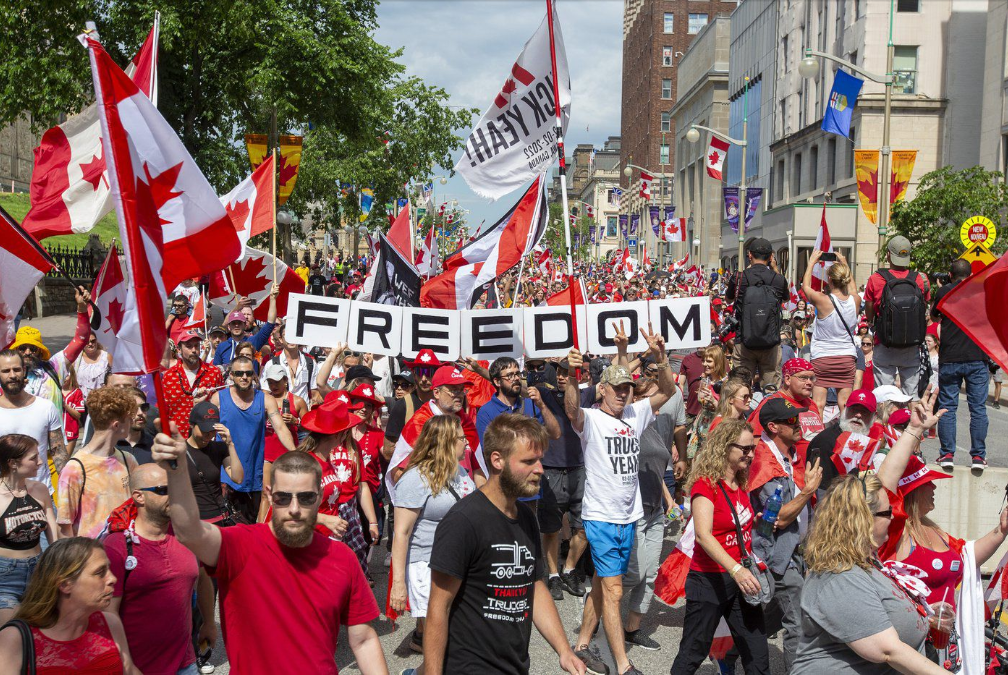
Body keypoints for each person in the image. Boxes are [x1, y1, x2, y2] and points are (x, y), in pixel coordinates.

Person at [150, 432, 389, 675]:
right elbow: (189, 532)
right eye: (283, 498)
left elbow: (363, 640)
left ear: (319, 497)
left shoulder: (342, 558)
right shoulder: (240, 544)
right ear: (269, 495)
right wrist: (178, 472)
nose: (294, 509)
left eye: (305, 498)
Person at [424, 414, 586, 675]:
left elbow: (534, 585)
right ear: (497, 460)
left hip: (514, 665)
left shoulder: (526, 518)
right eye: (528, 461)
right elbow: (437, 608)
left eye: (540, 460)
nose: (540, 469)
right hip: (469, 667)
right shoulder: (463, 522)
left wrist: (564, 651)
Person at [565, 326, 676, 675]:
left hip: (629, 518)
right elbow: (571, 410)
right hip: (600, 517)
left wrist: (660, 358)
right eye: (617, 388)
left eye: (628, 388)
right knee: (614, 591)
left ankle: (582, 645)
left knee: (602, 583)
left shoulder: (635, 413)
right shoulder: (592, 419)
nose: (623, 394)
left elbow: (669, 391)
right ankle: (624, 666)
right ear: (603, 389)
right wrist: (571, 375)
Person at [669, 419, 769, 675]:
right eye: (744, 449)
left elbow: (734, 525)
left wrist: (753, 524)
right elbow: (703, 535)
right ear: (725, 448)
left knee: (757, 652)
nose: (750, 454)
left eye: (752, 449)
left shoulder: (741, 483)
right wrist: (736, 570)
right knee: (693, 651)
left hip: (741, 580)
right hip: (709, 580)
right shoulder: (706, 485)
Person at [391, 415, 477, 666]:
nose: (467, 444)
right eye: (462, 439)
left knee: (453, 631)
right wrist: (398, 584)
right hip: (426, 564)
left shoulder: (460, 472)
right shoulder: (415, 479)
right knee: (439, 636)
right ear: (447, 442)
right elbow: (401, 534)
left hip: (458, 563)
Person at [104, 463, 205, 675]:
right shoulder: (117, 547)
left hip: (186, 664)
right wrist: (126, 664)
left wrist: (209, 624)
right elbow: (108, 612)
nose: (173, 495)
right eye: (162, 490)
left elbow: (203, 577)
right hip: (139, 668)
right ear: (139, 497)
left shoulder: (186, 534)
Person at [745, 398, 824, 671]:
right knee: (799, 625)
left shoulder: (787, 455)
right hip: (777, 555)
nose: (799, 424)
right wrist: (808, 490)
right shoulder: (765, 463)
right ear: (773, 427)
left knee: (772, 617)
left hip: (794, 552)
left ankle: (731, 650)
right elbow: (777, 518)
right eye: (792, 421)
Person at [0, 537, 139, 673]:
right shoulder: (14, 639)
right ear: (65, 584)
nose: (113, 579)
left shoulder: (110, 623)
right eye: (100, 573)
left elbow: (130, 670)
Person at [621, 375, 687, 653]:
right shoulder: (628, 426)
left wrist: (670, 500)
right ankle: (600, 609)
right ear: (637, 401)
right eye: (653, 399)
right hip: (633, 511)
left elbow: (655, 471)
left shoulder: (653, 428)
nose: (659, 406)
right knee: (633, 574)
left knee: (649, 575)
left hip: (656, 510)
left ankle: (631, 630)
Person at [534, 357, 597, 600]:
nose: (561, 376)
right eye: (558, 372)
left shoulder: (587, 395)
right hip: (550, 470)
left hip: (580, 470)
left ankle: (569, 569)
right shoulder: (542, 394)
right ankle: (552, 575)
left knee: (584, 527)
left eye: (567, 372)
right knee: (550, 530)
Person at [211, 355, 295, 524]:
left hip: (252, 476)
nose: (244, 377)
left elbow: (280, 428)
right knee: (225, 529)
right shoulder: (218, 399)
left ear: (254, 375)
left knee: (247, 526)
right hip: (225, 476)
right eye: (239, 373)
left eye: (248, 373)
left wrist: (295, 453)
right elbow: (205, 433)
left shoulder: (265, 399)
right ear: (232, 375)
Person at [387, 365, 487, 502]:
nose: (459, 395)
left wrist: (484, 501)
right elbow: (398, 472)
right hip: (434, 504)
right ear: (437, 393)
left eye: (461, 390)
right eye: (453, 390)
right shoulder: (420, 422)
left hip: (466, 505)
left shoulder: (466, 422)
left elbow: (477, 468)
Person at [57, 386, 140, 538]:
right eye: (129, 418)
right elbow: (64, 528)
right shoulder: (75, 468)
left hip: (125, 553)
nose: (133, 421)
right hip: (91, 556)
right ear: (116, 425)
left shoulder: (128, 460)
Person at [932, 258, 990, 471]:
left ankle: (947, 454)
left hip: (951, 357)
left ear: (950, 274)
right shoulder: (980, 291)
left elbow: (934, 315)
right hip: (977, 356)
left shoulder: (944, 292)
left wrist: (942, 290)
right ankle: (978, 457)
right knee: (978, 409)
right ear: (970, 274)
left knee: (948, 407)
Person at [862, 236, 930, 397]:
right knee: (911, 395)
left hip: (885, 343)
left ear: (888, 255)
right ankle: (909, 420)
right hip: (912, 345)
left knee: (884, 395)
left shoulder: (876, 278)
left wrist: (872, 321)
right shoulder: (920, 279)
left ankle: (886, 422)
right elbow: (924, 306)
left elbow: (869, 308)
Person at [0, 434, 58, 622]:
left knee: (39, 630)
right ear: (13, 463)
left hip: (39, 571)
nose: (40, 462)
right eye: (33, 458)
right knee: (10, 632)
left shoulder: (40, 490)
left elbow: (53, 535)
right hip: (5, 577)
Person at [0, 350, 67, 493]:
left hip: (41, 496)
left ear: (24, 370)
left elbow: (59, 454)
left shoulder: (46, 407)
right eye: (6, 371)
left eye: (16, 369)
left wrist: (68, 487)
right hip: (3, 499)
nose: (12, 375)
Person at [802, 251, 860, 414]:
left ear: (829, 280)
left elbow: (806, 287)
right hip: (846, 358)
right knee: (845, 403)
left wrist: (811, 263)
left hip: (823, 358)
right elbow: (853, 289)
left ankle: (817, 437)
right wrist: (844, 263)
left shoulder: (822, 300)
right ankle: (846, 437)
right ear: (847, 279)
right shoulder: (855, 300)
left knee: (819, 403)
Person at [726, 238, 788, 389]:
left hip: (744, 341)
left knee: (740, 387)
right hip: (770, 342)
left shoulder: (739, 278)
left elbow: (728, 299)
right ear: (771, 257)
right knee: (771, 388)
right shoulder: (778, 279)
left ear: (750, 255)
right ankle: (768, 412)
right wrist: (775, 270)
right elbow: (786, 298)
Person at [183, 401, 245, 524]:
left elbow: (238, 478)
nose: (209, 435)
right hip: (192, 522)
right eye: (204, 430)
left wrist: (230, 444)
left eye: (212, 430)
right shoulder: (179, 451)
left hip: (218, 518)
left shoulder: (219, 448)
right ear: (191, 425)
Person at [162, 331, 225, 439]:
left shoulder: (213, 373)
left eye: (196, 346)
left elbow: (223, 405)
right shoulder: (169, 376)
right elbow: (163, 410)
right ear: (179, 350)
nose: (194, 350)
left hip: (206, 439)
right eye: (189, 346)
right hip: (177, 438)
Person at [213, 288, 279, 367]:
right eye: (234, 323)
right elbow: (216, 370)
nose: (236, 325)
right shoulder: (222, 346)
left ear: (245, 325)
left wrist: (272, 298)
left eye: (239, 323)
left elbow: (270, 323)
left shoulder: (253, 341)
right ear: (229, 327)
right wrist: (238, 307)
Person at [117, 387, 154, 465]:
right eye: (133, 408)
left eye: (144, 407)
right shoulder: (111, 445)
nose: (140, 413)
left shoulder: (154, 445)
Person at [74, 332, 113, 400]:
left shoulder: (106, 356)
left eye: (93, 341)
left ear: (96, 341)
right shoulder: (76, 358)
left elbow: (113, 377)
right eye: (87, 342)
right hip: (80, 402)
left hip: (102, 400)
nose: (90, 344)